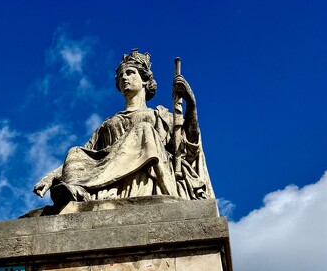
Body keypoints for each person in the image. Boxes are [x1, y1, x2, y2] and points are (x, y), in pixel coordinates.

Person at [33, 49, 212, 210]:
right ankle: (75, 192)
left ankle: (85, 189)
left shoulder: (160, 115)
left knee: (144, 129)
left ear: (145, 81)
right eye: (121, 76)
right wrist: (51, 177)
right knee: (74, 151)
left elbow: (190, 144)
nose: (124, 78)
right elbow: (87, 153)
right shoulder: (109, 123)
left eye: (130, 73)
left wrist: (191, 104)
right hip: (107, 177)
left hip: (147, 176)